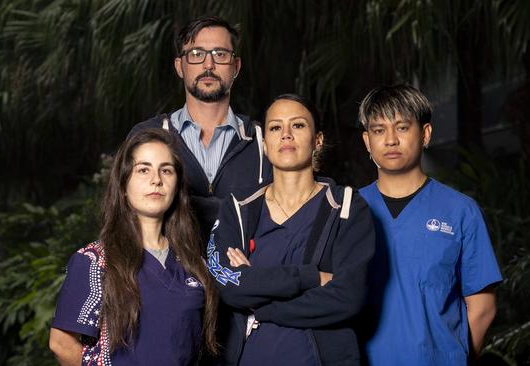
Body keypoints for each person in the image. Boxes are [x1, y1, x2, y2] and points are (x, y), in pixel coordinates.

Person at [207, 94, 376, 366]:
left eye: (298, 125)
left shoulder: (346, 207)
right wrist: (310, 277)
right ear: (264, 144)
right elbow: (227, 285)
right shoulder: (239, 208)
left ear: (317, 140)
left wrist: (260, 302)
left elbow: (348, 297)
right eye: (275, 127)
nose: (285, 134)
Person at [357, 84, 502, 365]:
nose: (390, 140)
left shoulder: (461, 212)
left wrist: (453, 358)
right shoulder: (348, 209)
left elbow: (483, 307)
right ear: (367, 141)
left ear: (425, 134)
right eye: (378, 130)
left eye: (402, 127)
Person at [49, 128, 217, 365]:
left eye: (166, 170)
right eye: (143, 169)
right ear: (124, 185)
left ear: (177, 186)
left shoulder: (194, 263)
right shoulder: (95, 260)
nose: (156, 180)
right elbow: (61, 343)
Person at [129, 16, 271, 237]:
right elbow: (122, 214)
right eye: (196, 54)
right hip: (166, 270)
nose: (208, 65)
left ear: (236, 66)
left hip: (246, 271)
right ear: (180, 66)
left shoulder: (265, 141)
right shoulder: (147, 136)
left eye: (220, 54)